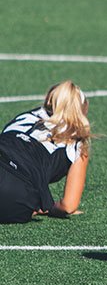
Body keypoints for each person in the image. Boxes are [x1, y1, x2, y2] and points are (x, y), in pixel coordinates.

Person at [0, 81, 92, 223]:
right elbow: (68, 206)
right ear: (82, 110)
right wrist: (47, 206)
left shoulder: (24, 117)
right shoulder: (77, 144)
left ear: (48, 100)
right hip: (15, 192)